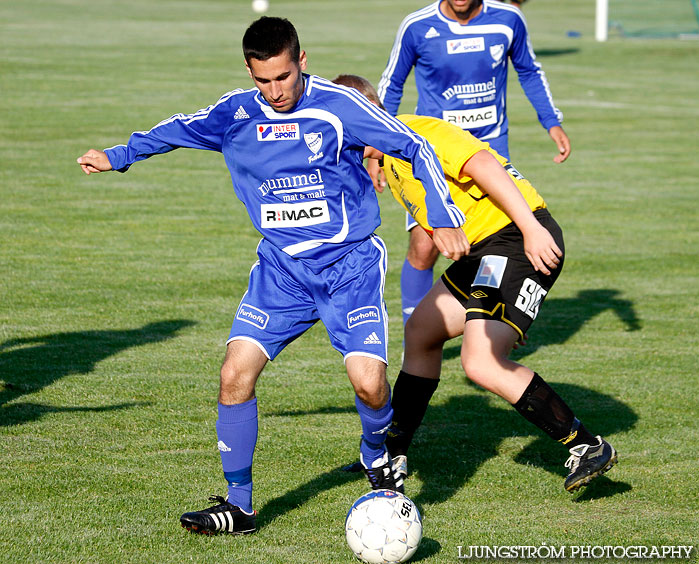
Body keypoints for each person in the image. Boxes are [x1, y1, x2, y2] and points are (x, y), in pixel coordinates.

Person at [77, 18, 469, 535]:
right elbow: (176, 129)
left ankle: (378, 455)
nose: (275, 90)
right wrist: (120, 156)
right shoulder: (234, 113)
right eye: (264, 80)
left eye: (283, 76)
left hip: (347, 265)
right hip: (282, 270)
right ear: (249, 70)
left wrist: (441, 216)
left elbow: (414, 147)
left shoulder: (338, 107)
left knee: (371, 386)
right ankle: (239, 506)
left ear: (301, 61)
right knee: (234, 373)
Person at [333, 74, 617, 493]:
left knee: (479, 361)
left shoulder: (420, 132)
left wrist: (531, 231)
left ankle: (588, 446)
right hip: (485, 253)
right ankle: (393, 453)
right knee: (422, 331)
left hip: (518, 238)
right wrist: (505, 312)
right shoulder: (391, 164)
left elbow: (485, 165)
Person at [375, 0, 571, 326]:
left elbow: (529, 70)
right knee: (424, 247)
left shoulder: (508, 20)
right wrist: (379, 150)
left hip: (488, 150)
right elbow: (392, 83)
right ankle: (415, 330)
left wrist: (552, 121)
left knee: (500, 237)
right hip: (432, 157)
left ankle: (497, 320)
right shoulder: (417, 26)